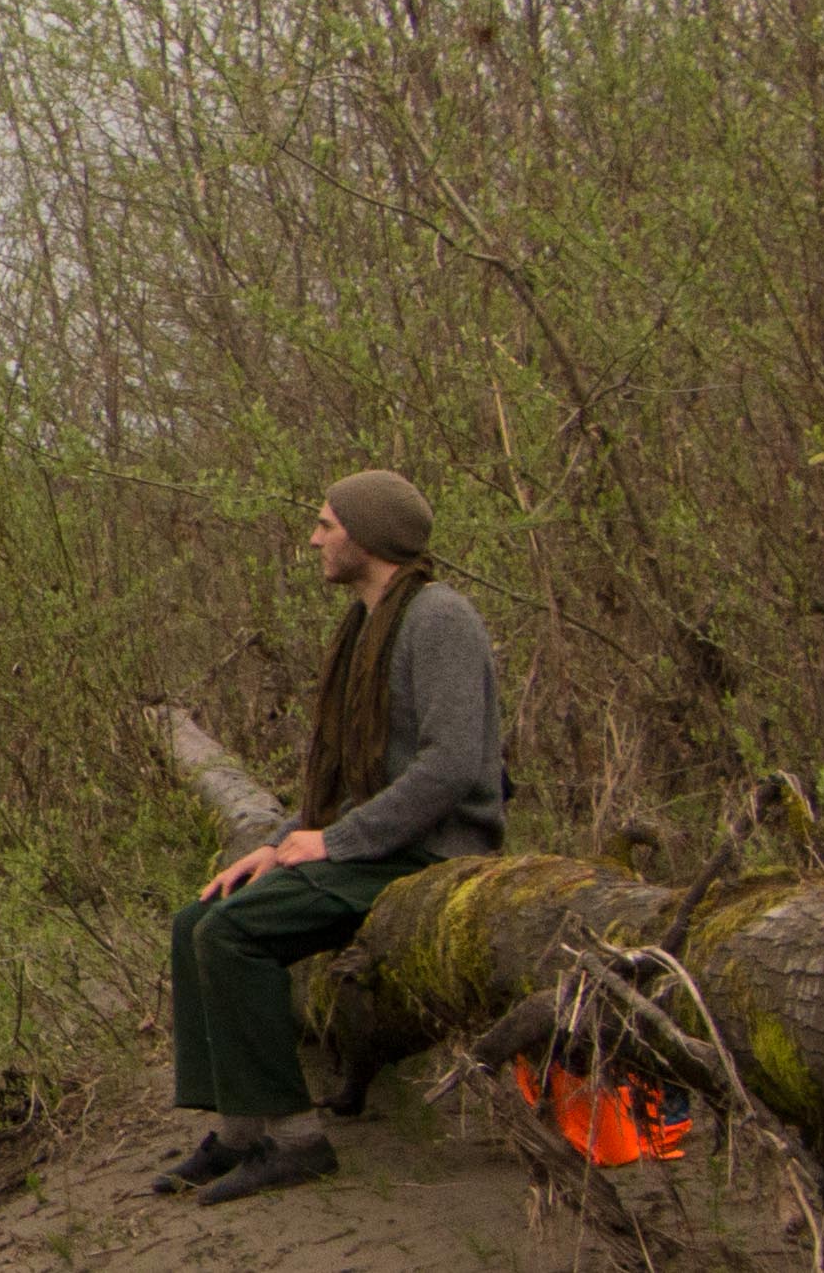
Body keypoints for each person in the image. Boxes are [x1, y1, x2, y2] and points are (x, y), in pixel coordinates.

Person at [152, 469, 506, 1205]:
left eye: (325, 525)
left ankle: (295, 1141)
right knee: (198, 920)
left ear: (367, 537)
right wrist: (283, 837)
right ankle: (240, 1132)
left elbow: (449, 767)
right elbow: (349, 776)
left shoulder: (438, 619)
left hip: (432, 853)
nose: (312, 538)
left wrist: (334, 843)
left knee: (234, 934)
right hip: (376, 842)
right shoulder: (363, 626)